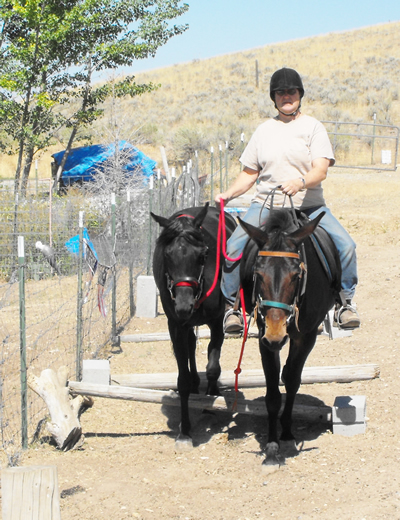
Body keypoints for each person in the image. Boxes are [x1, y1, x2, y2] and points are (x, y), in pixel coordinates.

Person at [215, 67, 360, 333]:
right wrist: (227, 194)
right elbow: (249, 174)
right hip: (266, 205)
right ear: (274, 97)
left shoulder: (313, 127)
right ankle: (232, 309)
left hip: (310, 206)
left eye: (291, 91)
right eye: (280, 93)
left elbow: (321, 169)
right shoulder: (263, 130)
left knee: (347, 246)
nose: (286, 96)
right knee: (233, 248)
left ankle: (345, 302)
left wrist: (300, 182)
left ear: (300, 94)